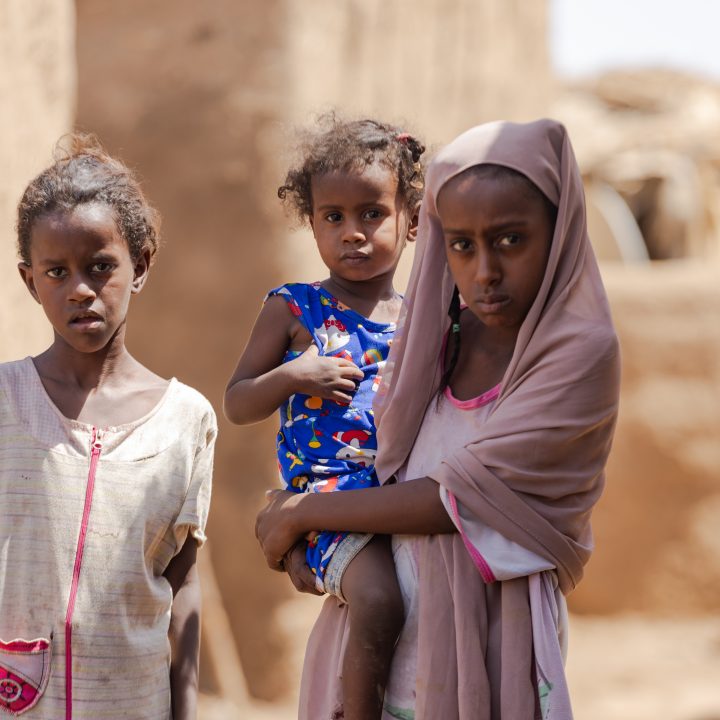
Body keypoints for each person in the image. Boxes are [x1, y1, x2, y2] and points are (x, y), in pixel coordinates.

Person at [255, 119, 621, 719]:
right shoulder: (435, 333)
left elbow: (466, 497)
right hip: (379, 646)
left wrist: (299, 514)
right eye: (462, 245)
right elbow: (379, 469)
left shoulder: (576, 350)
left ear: (557, 233)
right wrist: (313, 544)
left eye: (510, 240)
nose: (485, 272)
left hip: (490, 642)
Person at [0, 135, 216, 720]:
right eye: (56, 272)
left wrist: (184, 709)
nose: (80, 290)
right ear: (29, 282)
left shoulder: (185, 419)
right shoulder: (5, 401)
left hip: (132, 701)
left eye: (100, 268)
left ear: (140, 266)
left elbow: (183, 579)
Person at [224, 115, 424, 719]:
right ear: (311, 223)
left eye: (372, 214)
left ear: (410, 221)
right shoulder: (294, 307)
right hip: (328, 496)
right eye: (332, 217)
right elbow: (238, 400)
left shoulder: (418, 321)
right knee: (381, 602)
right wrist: (294, 375)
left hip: (395, 499)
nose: (352, 233)